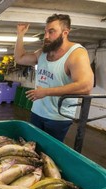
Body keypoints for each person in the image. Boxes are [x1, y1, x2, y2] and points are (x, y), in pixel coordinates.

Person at [14, 14, 94, 142]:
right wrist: (20, 34)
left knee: (49, 153)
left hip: (58, 117)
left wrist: (45, 92)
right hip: (37, 112)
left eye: (51, 32)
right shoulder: (43, 52)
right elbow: (19, 58)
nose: (46, 36)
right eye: (45, 32)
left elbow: (86, 86)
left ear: (65, 33)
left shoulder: (76, 54)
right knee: (32, 148)